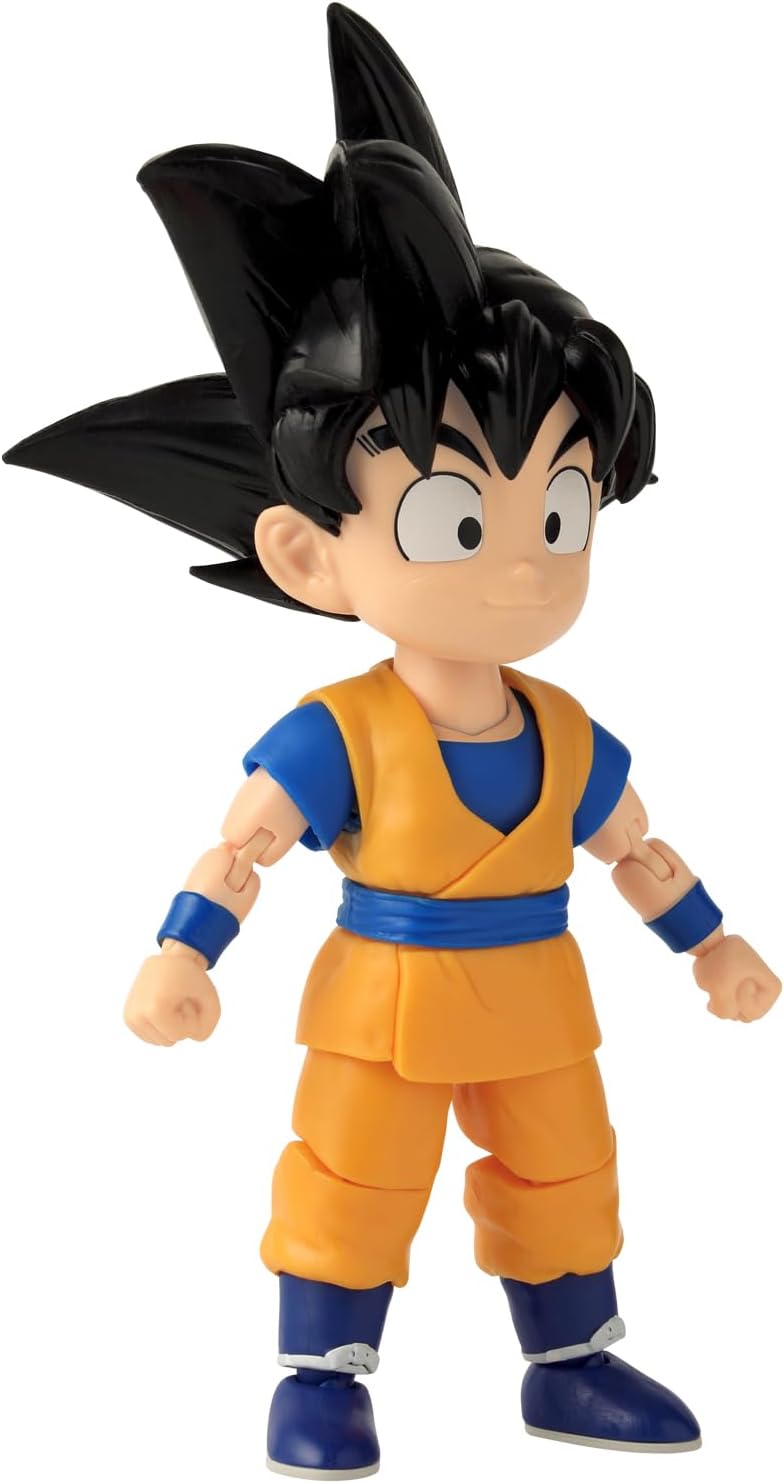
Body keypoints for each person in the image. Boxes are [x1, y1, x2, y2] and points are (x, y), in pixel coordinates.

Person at [4, 6, 780, 1478]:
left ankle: (571, 1363)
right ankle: (322, 1373)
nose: (524, 564)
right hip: (384, 1000)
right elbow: (241, 850)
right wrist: (179, 953)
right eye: (453, 516)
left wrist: (715, 945)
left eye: (564, 508)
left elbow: (640, 850)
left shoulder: (568, 731)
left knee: (567, 1172)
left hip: (540, 997)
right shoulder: (343, 730)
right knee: (355, 1179)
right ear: (309, 556)